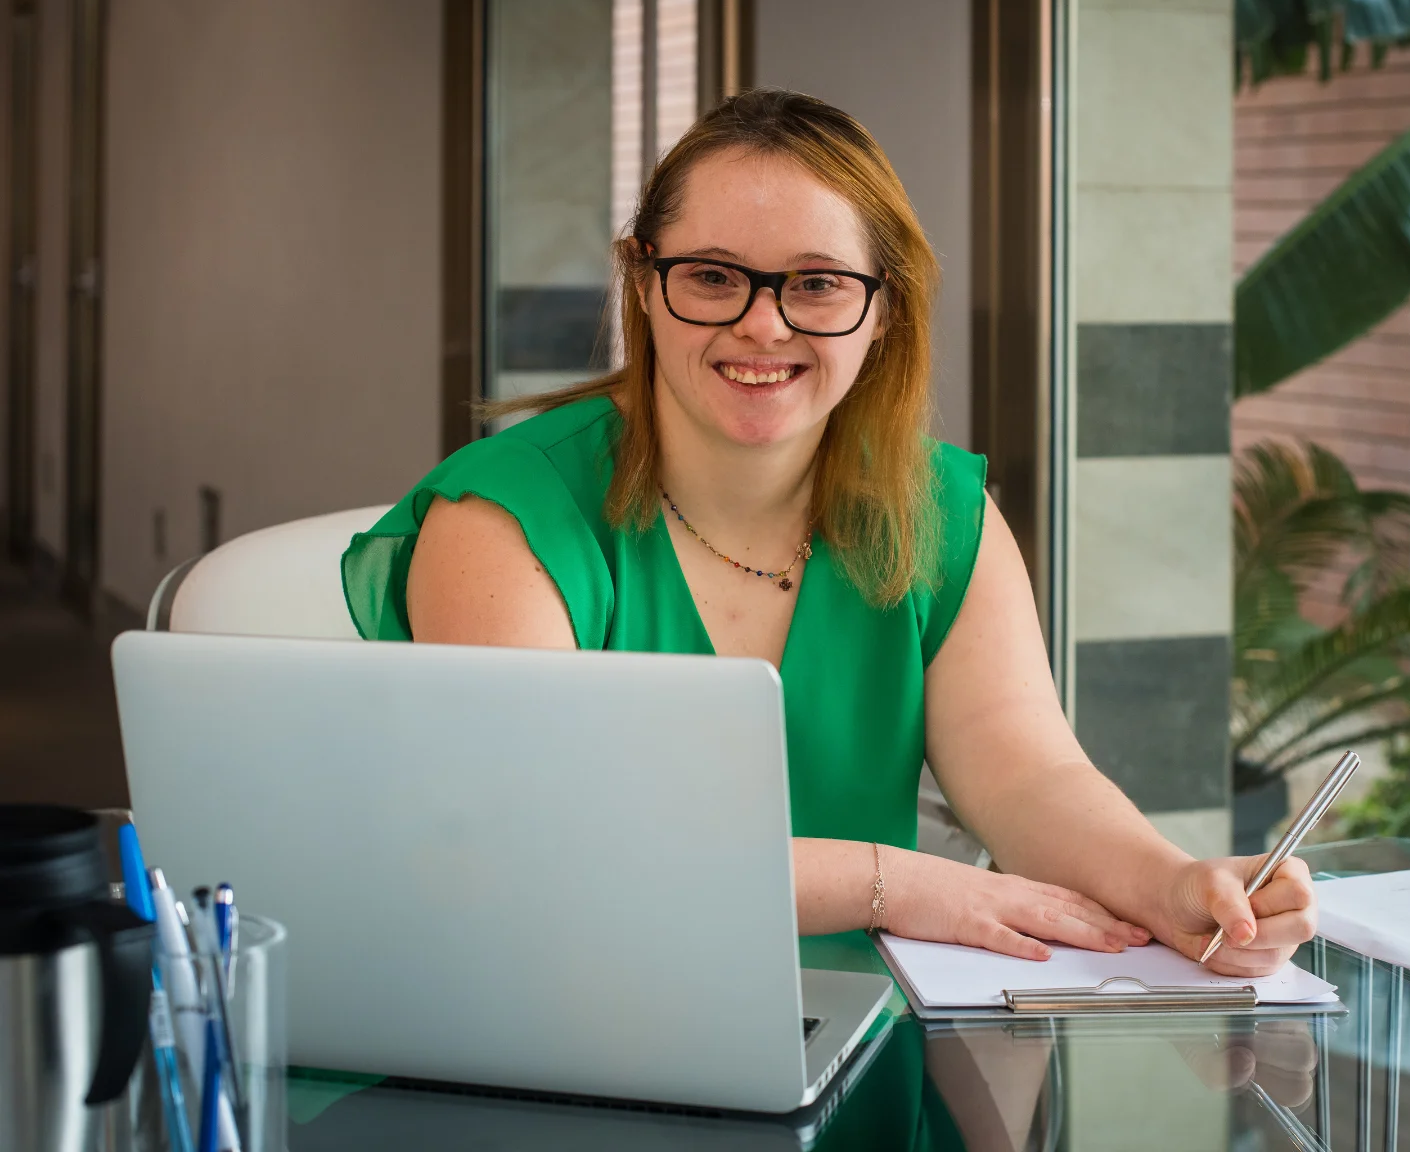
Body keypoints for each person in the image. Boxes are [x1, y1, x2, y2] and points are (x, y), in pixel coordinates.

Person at [342, 88, 1315, 975]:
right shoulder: (502, 521)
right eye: (715, 276)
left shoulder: (937, 510)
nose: (764, 326)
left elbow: (1027, 771)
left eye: (816, 284)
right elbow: (553, 841)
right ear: (643, 282)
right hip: (555, 1021)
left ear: (882, 308)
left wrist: (1169, 883)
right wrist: (895, 883)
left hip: (856, 1040)